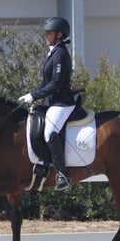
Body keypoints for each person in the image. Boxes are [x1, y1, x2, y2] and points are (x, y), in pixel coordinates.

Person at [18, 17, 75, 190]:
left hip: (62, 102)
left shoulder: (61, 54)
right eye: (45, 32)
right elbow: (45, 83)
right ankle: (43, 162)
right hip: (51, 102)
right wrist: (30, 95)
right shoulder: (53, 52)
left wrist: (34, 95)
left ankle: (62, 174)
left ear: (59, 34)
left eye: (48, 33)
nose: (45, 35)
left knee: (50, 131)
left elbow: (56, 83)